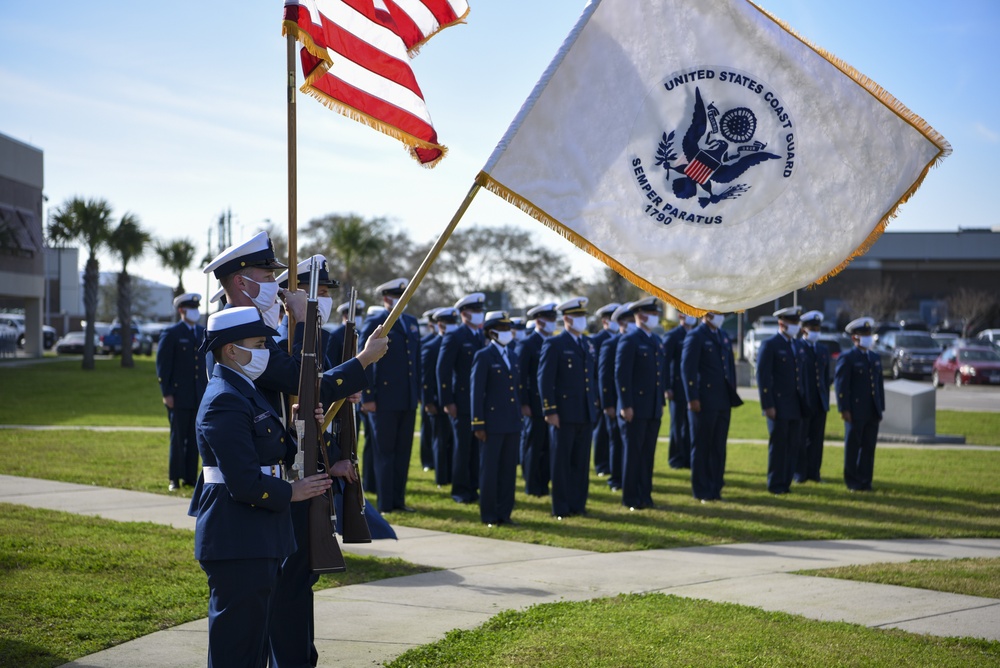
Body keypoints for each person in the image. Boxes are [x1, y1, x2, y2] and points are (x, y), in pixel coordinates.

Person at [203, 233, 389, 668]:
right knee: (254, 618)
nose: (278, 284)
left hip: (284, 477)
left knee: (286, 592)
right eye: (268, 275)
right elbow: (308, 381)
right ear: (241, 281)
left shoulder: (256, 329)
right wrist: (360, 361)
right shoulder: (236, 330)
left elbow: (301, 398)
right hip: (258, 493)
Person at [188, 307, 348, 668]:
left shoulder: (244, 391)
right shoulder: (225, 398)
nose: (265, 351)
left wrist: (296, 430)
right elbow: (243, 481)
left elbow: (269, 452)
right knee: (238, 649)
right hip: (237, 538)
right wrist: (293, 492)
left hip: (257, 536)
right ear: (231, 350)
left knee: (254, 645)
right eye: (259, 344)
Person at [359, 278, 422, 514]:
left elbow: (414, 361)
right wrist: (368, 397)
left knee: (403, 452)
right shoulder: (376, 322)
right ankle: (386, 503)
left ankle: (399, 499)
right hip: (383, 400)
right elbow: (365, 361)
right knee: (385, 452)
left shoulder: (411, 322)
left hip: (406, 398)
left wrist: (417, 392)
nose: (402, 300)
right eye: (398, 295)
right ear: (386, 298)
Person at [538, 297, 600, 519]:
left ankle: (578, 504)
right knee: (561, 463)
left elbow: (592, 378)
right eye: (579, 316)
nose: (583, 320)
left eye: (584, 316)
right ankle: (561, 507)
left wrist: (595, 403)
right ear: (566, 319)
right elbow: (545, 380)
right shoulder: (554, 344)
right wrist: (550, 410)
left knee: (581, 463)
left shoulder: (587, 343)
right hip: (563, 413)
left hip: (584, 412)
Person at [681, 311, 742, 503]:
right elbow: (687, 368)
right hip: (703, 401)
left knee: (718, 447)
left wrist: (732, 390)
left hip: (723, 400)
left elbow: (729, 368)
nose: (721, 316)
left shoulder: (722, 335)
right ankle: (701, 490)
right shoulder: (696, 335)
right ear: (705, 314)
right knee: (702, 446)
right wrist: (692, 398)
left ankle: (716, 487)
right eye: (717, 313)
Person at [470, 311, 522, 526]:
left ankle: (505, 513)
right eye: (502, 329)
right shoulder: (483, 356)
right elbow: (476, 391)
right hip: (491, 424)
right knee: (490, 471)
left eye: (508, 328)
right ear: (491, 332)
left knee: (508, 470)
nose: (507, 332)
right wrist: (478, 422)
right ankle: (490, 514)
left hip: (511, 422)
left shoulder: (512, 354)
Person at [615, 297, 666, 510]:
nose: (655, 317)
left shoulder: (654, 340)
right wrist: (626, 404)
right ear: (641, 315)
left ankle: (645, 495)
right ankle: (631, 497)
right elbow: (621, 375)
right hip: (635, 408)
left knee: (647, 455)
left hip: (653, 407)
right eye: (652, 313)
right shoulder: (630, 339)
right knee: (633, 454)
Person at [437, 292, 486, 503]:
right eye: (475, 311)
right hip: (462, 402)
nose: (479, 315)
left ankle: (474, 486)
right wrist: (447, 401)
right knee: (462, 448)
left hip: (479, 403)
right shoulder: (455, 336)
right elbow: (443, 370)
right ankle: (460, 490)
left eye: (480, 311)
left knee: (477, 448)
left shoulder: (482, 337)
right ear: (464, 314)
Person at [156, 292, 207, 491]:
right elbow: (163, 366)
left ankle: (190, 477)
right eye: (190, 308)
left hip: (198, 395)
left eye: (196, 308)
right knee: (177, 439)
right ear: (181, 310)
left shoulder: (202, 332)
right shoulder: (172, 333)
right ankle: (174, 478)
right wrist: (166, 392)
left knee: (195, 439)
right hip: (178, 396)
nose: (195, 312)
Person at [756, 306, 809, 495]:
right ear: (781, 323)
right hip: (777, 405)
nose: (796, 326)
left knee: (792, 446)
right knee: (778, 447)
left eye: (797, 322)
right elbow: (763, 377)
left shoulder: (795, 345)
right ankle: (775, 483)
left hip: (795, 405)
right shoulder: (770, 345)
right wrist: (767, 405)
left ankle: (786, 482)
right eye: (792, 322)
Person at [835, 317, 885, 492]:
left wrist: (880, 407)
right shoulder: (848, 358)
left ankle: (866, 481)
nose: (868, 337)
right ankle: (852, 481)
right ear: (854, 338)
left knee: (868, 447)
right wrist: (844, 409)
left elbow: (879, 385)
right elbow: (842, 386)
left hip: (872, 409)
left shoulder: (874, 357)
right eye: (863, 334)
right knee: (853, 447)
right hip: (855, 410)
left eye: (869, 333)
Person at [516, 302, 557, 497]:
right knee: (533, 446)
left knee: (547, 448)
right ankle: (532, 485)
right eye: (549, 319)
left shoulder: (553, 342)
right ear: (539, 321)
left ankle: (544, 483)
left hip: (550, 404)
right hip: (532, 405)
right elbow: (520, 376)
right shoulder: (527, 344)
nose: (553, 323)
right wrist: (523, 403)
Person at [599, 302, 635, 493]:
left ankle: (629, 478)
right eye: (629, 321)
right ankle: (616, 478)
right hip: (615, 402)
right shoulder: (610, 344)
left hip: (632, 403)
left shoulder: (637, 341)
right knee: (616, 442)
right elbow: (605, 376)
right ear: (620, 322)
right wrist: (607, 404)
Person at [423, 307, 458, 487]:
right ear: (439, 324)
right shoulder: (431, 345)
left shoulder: (456, 341)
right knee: (440, 439)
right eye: (448, 323)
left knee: (452, 441)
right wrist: (428, 401)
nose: (451, 326)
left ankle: (452, 474)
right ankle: (442, 478)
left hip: (454, 400)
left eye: (454, 322)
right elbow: (426, 377)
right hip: (437, 401)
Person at [797, 310, 831, 483]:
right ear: (804, 330)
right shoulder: (798, 348)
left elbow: (826, 377)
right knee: (801, 439)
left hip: (819, 401)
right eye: (813, 328)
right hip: (804, 401)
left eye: (818, 328)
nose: (816, 331)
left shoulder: (822, 349)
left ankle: (814, 472)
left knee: (817, 441)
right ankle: (800, 473)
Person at [663, 312, 698, 469]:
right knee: (677, 425)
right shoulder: (673, 336)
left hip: (691, 388)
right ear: (680, 315)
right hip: (676, 388)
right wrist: (666, 387)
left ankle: (689, 458)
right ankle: (676, 458)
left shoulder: (696, 334)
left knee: (690, 424)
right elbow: (664, 363)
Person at [589, 302, 620, 477]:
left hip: (617, 392)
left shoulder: (623, 337)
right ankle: (602, 464)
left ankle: (613, 462)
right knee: (601, 430)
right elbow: (594, 370)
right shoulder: (597, 340)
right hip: (601, 393)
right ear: (604, 321)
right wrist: (597, 393)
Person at [418, 309, 439, 473]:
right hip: (429, 393)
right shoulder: (427, 343)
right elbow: (424, 373)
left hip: (440, 393)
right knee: (427, 428)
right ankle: (427, 460)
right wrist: (425, 397)